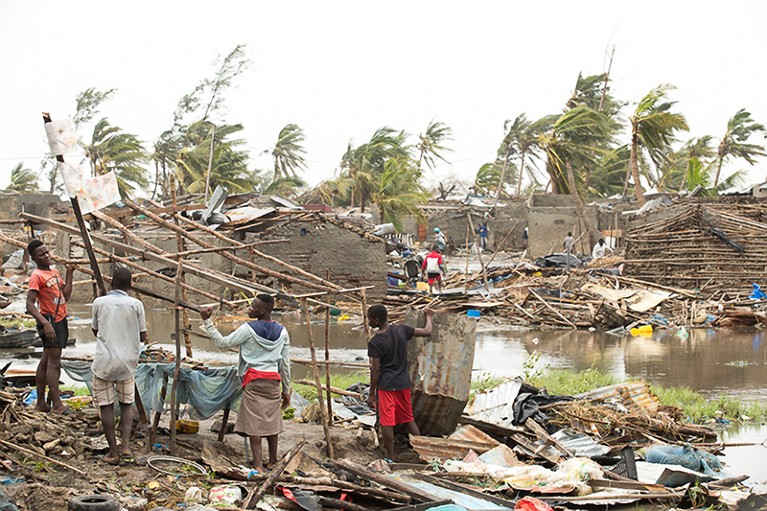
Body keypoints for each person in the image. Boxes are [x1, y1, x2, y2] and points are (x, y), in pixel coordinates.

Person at [199, 294, 291, 472]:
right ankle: (272, 460)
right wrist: (286, 390)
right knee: (271, 421)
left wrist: (207, 322)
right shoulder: (283, 331)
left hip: (253, 381)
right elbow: (285, 364)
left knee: (254, 424)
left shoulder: (248, 329)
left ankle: (257, 464)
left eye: (253, 306)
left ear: (262, 310)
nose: (249, 309)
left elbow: (223, 343)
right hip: (273, 381)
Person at [91, 268, 147, 465]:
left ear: (111, 283)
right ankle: (125, 447)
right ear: (130, 285)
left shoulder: (99, 302)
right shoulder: (136, 304)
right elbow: (143, 335)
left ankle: (113, 452)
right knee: (126, 404)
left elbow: (95, 329)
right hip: (127, 363)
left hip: (104, 362)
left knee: (105, 406)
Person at [366, 305, 433, 460]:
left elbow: (375, 371)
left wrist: (371, 394)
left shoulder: (375, 342)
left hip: (387, 386)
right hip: (403, 384)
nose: (368, 322)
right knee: (408, 418)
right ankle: (424, 453)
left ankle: (390, 456)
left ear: (376, 320)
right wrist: (429, 316)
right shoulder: (401, 329)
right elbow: (427, 331)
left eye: (370, 319)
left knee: (386, 421)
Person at [25, 239, 73, 414]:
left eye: (46, 252)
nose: (46, 256)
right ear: (34, 259)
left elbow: (65, 296)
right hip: (50, 321)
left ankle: (41, 403)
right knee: (54, 363)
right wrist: (45, 324)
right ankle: (57, 404)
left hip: (60, 318)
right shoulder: (36, 276)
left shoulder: (53, 272)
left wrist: (69, 273)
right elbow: (29, 304)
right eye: (41, 255)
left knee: (46, 361)